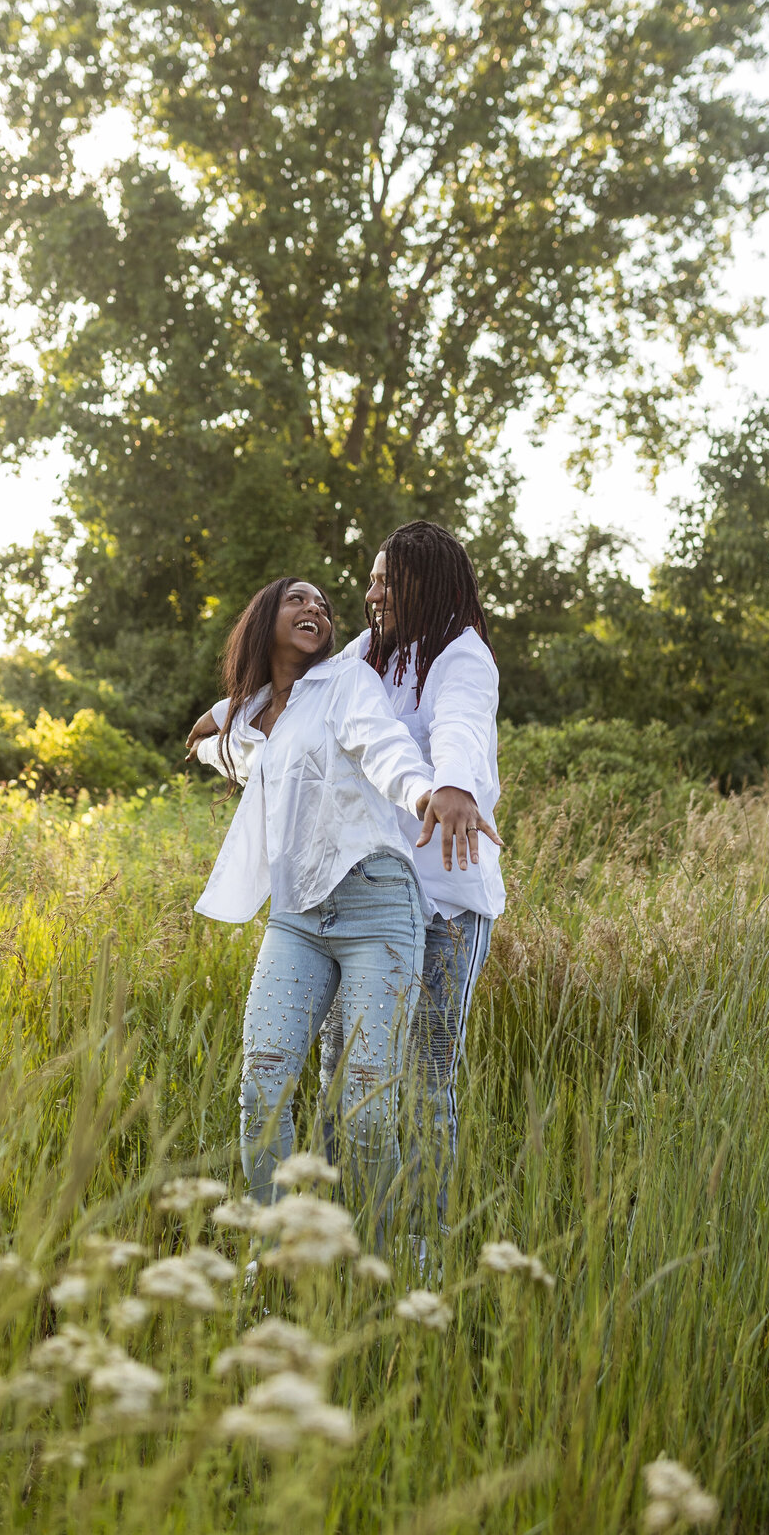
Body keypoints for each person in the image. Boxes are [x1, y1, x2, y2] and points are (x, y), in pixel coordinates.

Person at [189, 522, 504, 1226]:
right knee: (345, 1084)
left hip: (442, 900)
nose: (370, 594)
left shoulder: (462, 657)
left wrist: (450, 786)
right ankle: (339, 1245)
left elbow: (458, 727)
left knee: (420, 1082)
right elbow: (299, 692)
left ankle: (416, 1245)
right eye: (369, 581)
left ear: (424, 585)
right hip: (351, 892)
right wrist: (221, 715)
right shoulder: (367, 655)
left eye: (385, 581)